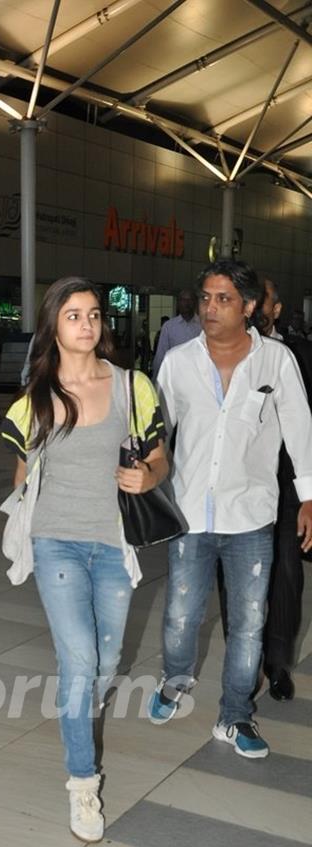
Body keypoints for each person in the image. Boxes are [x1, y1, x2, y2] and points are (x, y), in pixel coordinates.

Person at [2, 276, 168, 842]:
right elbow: (22, 471)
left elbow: (160, 455)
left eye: (94, 314)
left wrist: (147, 474)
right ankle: (82, 783)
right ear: (54, 324)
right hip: (56, 541)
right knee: (77, 663)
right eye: (73, 315)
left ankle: (78, 720)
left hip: (112, 541)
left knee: (106, 658)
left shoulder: (131, 386)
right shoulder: (36, 396)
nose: (87, 324)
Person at [149, 260, 312, 759]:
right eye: (205, 298)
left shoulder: (277, 361)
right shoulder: (178, 362)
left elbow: (299, 427)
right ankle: (174, 680)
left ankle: (235, 714)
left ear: (249, 307)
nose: (210, 308)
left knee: (248, 622)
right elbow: (159, 431)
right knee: (181, 615)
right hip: (190, 512)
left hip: (251, 517)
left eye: (223, 299)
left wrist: (308, 496)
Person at [257, 280, 312, 700]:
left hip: (289, 484)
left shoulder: (299, 356)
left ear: (276, 310)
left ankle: (278, 664)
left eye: (265, 300)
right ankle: (253, 656)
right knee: (237, 576)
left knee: (288, 574)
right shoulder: (220, 354)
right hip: (239, 488)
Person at [151, 289, 200, 380]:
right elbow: (161, 355)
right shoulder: (169, 326)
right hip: (175, 378)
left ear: (195, 303)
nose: (186, 303)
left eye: (190, 300)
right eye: (183, 300)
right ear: (178, 303)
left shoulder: (204, 326)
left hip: (199, 377)